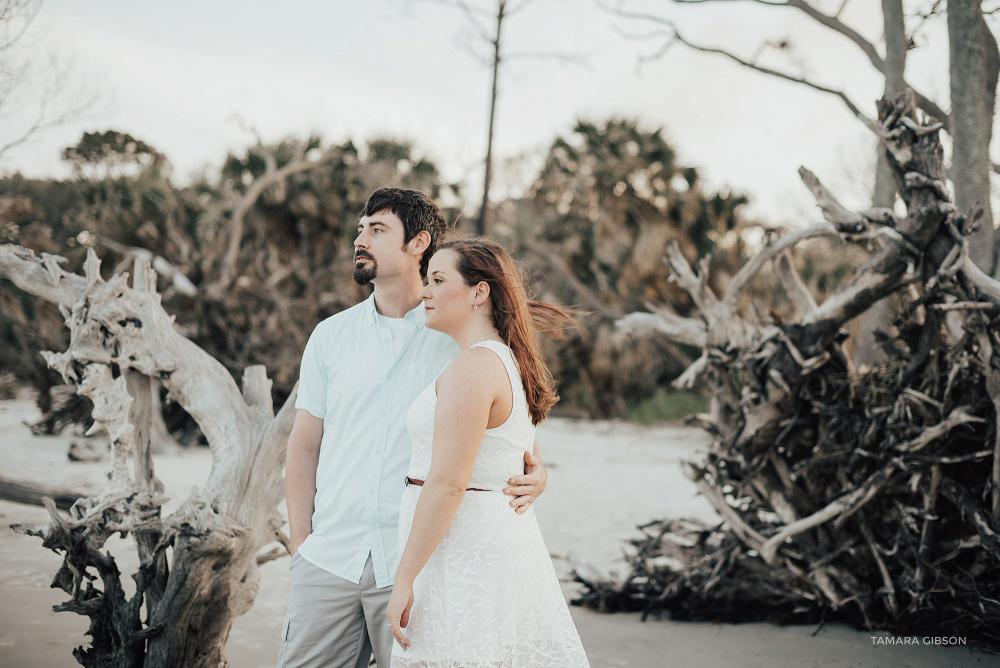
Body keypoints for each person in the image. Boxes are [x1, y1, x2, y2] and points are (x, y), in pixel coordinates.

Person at [276, 188, 549, 668]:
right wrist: (303, 547)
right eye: (361, 229)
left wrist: (538, 472)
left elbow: (511, 432)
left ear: (419, 243)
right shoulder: (329, 335)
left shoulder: (456, 334)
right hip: (329, 559)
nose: (360, 239)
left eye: (377, 230)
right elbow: (303, 446)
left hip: (417, 564)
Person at [386, 238, 590, 667]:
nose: (425, 291)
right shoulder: (506, 360)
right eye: (427, 279)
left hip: (465, 553)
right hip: (483, 547)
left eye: (438, 280)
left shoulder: (474, 366)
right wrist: (542, 474)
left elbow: (446, 483)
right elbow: (519, 455)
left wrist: (403, 579)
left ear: (479, 292)